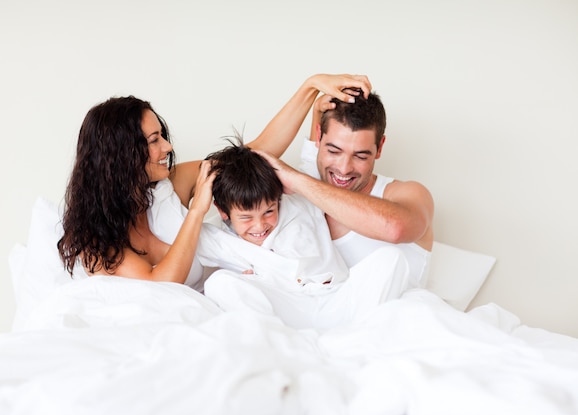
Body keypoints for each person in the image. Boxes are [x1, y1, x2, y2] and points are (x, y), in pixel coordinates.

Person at [57, 74, 373, 289]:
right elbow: (159, 286)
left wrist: (311, 86)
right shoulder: (95, 240)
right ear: (121, 156)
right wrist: (196, 212)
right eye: (154, 141)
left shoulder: (167, 187)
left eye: (162, 137)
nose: (167, 148)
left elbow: (255, 154)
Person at [197, 139, 410, 329]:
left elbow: (311, 155)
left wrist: (314, 100)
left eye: (269, 211)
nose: (260, 225)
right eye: (246, 218)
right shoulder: (216, 238)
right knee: (219, 282)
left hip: (335, 298)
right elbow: (177, 239)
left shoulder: (301, 201)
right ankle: (283, 342)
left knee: (392, 258)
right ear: (223, 211)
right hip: (290, 309)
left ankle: (356, 335)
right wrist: (197, 208)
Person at [257, 89, 434, 292]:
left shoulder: (407, 194)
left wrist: (296, 180)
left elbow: (395, 228)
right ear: (319, 138)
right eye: (333, 151)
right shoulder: (296, 203)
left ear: (380, 147)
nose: (344, 169)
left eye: (360, 156)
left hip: (390, 320)